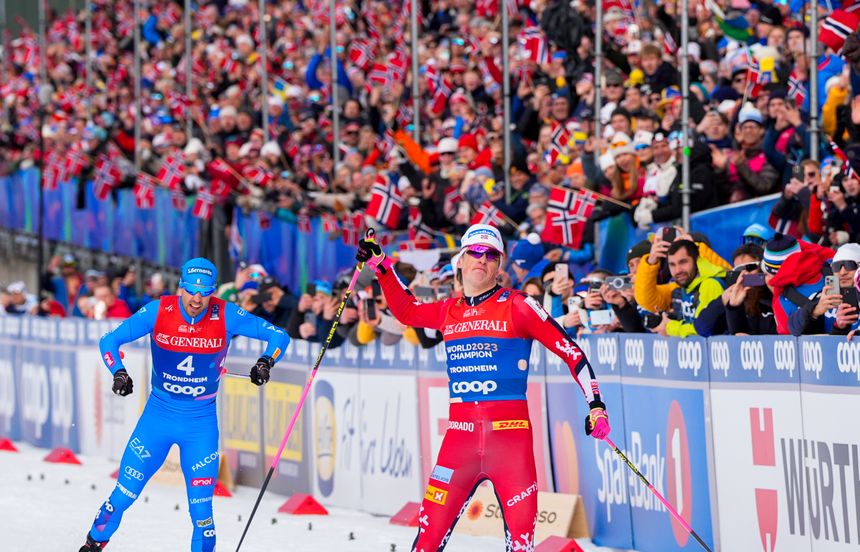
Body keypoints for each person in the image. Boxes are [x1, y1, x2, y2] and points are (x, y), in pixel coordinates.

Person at [355, 224, 609, 551]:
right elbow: (406, 311)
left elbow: (571, 352)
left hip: (511, 445)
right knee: (426, 542)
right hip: (458, 444)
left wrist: (596, 405)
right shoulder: (448, 310)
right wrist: (382, 266)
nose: (482, 259)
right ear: (460, 260)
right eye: (475, 252)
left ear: (499, 265)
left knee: (520, 546)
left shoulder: (519, 305)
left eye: (491, 255)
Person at [79, 258, 290, 552]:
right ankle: (92, 545)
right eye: (191, 291)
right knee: (123, 495)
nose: (197, 299)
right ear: (181, 287)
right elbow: (108, 341)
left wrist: (266, 362)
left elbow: (279, 335)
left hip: (199, 426)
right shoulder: (158, 310)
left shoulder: (226, 313)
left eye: (205, 292)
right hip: (157, 419)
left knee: (202, 513)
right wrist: (119, 373)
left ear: (213, 291)